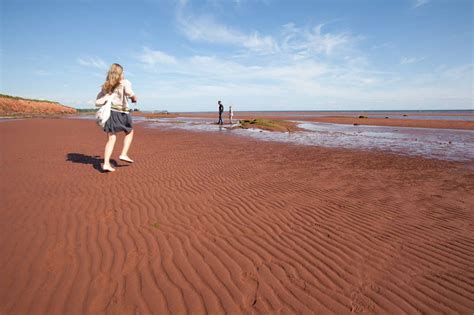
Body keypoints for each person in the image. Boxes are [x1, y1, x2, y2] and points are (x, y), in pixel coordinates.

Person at [96, 63, 137, 172]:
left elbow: (97, 102)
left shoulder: (106, 85)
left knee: (111, 138)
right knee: (130, 132)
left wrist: (107, 96)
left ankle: (106, 164)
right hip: (122, 113)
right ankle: (123, 154)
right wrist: (133, 97)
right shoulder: (125, 82)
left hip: (110, 114)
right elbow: (128, 92)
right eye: (123, 72)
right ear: (120, 73)